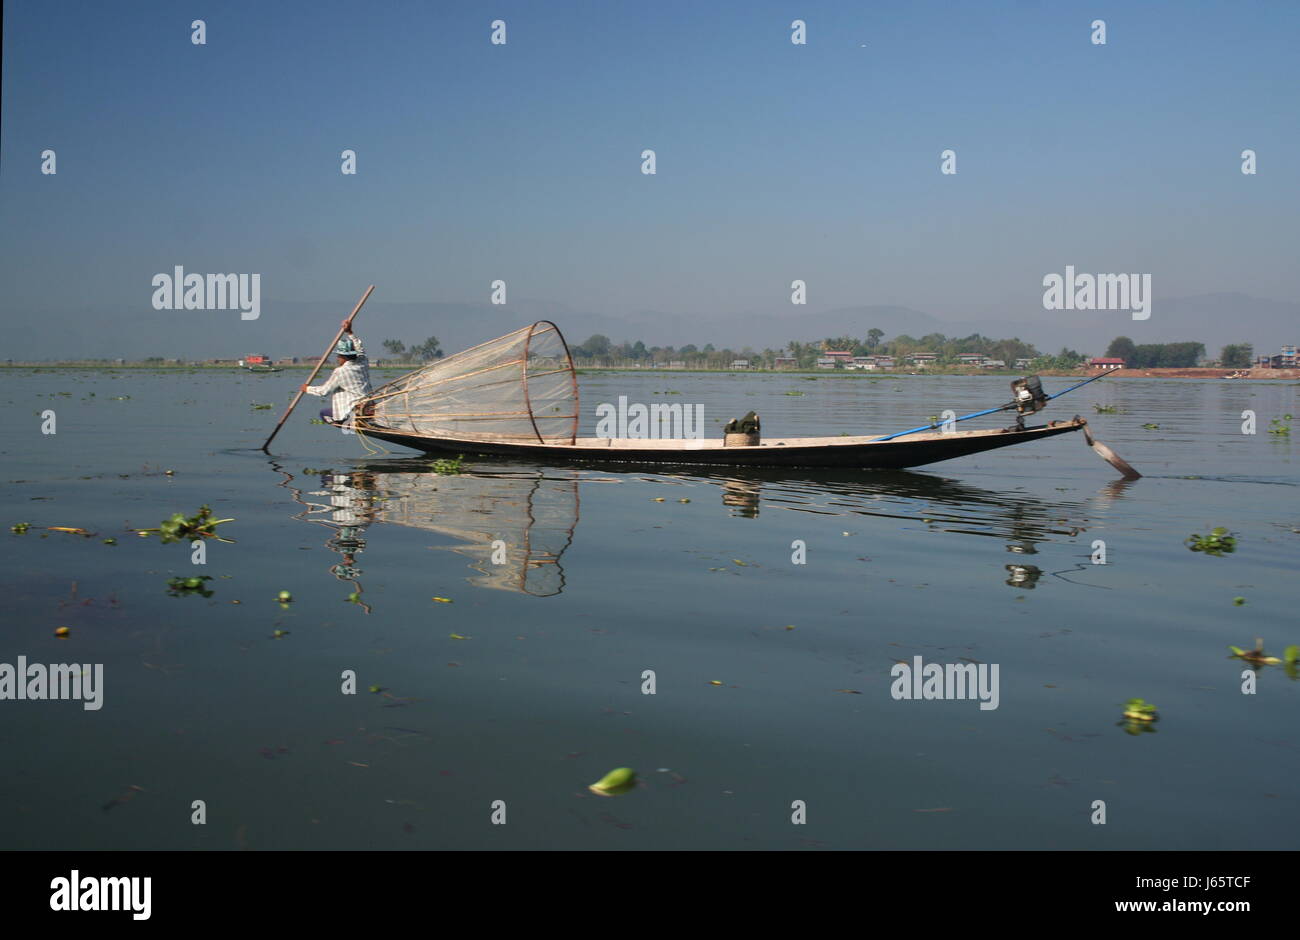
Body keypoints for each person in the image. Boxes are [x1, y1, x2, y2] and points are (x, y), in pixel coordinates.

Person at [302, 319, 373, 426]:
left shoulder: (340, 371)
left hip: (354, 412)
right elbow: (360, 348)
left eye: (339, 356)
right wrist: (350, 332)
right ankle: (356, 421)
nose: (338, 358)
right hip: (368, 407)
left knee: (324, 414)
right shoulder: (362, 361)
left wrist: (307, 389)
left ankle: (350, 424)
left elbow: (324, 391)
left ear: (343, 357)